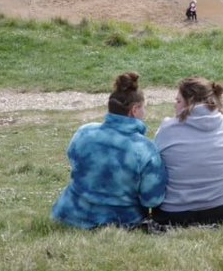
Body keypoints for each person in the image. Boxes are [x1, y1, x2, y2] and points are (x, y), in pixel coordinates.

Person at [52, 72, 167, 229]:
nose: (144, 113)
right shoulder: (145, 149)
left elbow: (73, 161)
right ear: (135, 109)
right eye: (144, 108)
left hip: (68, 216)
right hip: (121, 223)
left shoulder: (84, 132)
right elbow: (152, 199)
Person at [153, 77, 223, 227]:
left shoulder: (167, 129)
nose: (175, 106)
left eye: (178, 101)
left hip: (174, 214)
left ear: (190, 102)